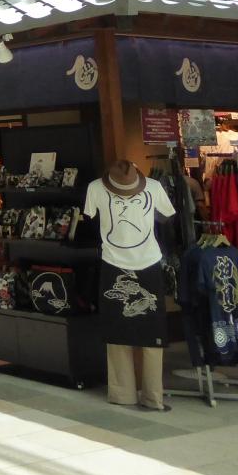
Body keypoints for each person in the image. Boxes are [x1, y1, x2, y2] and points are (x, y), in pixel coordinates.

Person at [83, 159, 175, 411]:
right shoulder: (95, 188)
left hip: (144, 262)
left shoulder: (154, 187)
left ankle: (143, 394)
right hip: (116, 263)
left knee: (149, 333)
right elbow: (166, 217)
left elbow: (167, 216)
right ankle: (136, 395)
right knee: (119, 332)